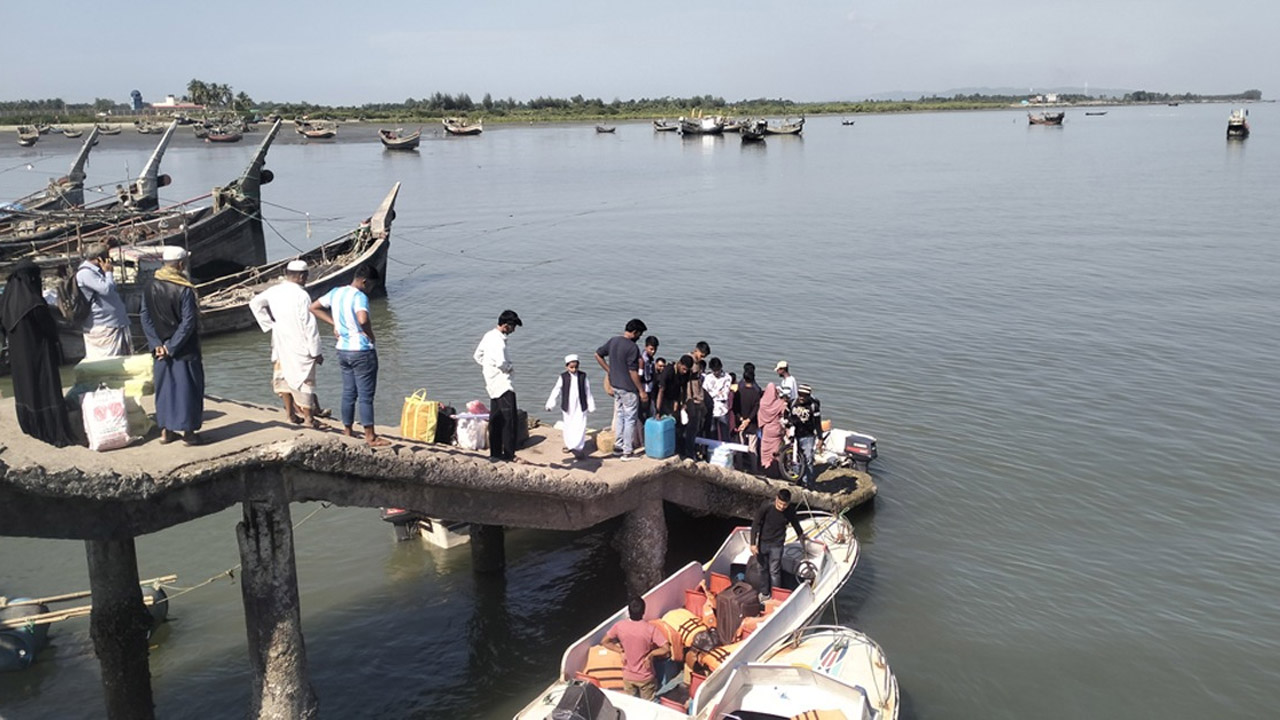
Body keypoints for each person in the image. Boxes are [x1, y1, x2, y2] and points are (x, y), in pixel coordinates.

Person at [0, 259, 76, 447]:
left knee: (26, 388)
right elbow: (49, 329)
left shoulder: (8, 301)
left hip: (18, 357)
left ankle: (30, 425)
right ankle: (50, 429)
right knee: (44, 387)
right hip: (40, 354)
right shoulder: (33, 303)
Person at [310, 264, 387, 447]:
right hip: (361, 350)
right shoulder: (360, 297)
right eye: (371, 286)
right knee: (366, 395)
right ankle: (370, 436)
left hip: (343, 349)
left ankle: (347, 430)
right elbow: (363, 319)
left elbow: (314, 307)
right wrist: (370, 335)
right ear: (365, 282)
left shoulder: (336, 292)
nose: (370, 290)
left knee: (348, 392)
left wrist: (334, 324)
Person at [141, 246, 205, 445]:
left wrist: (156, 343)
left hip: (160, 349)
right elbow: (188, 322)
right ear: (180, 264)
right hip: (183, 349)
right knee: (188, 389)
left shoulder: (150, 285)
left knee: (165, 391)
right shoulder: (184, 288)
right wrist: (173, 346)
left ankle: (166, 431)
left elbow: (145, 316)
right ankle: (189, 433)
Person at [250, 260, 324, 430]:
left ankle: (290, 414)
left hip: (281, 339)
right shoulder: (302, 295)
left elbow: (255, 303)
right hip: (300, 342)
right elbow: (309, 324)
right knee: (304, 380)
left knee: (283, 377)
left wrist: (270, 324)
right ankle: (308, 418)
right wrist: (316, 351)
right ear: (301, 276)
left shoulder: (274, 290)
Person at [594, 318, 648, 461]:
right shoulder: (632, 348)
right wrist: (641, 391)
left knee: (620, 416)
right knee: (630, 418)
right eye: (639, 334)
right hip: (628, 388)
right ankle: (627, 452)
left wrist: (609, 371)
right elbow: (633, 372)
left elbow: (597, 355)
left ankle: (618, 447)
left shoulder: (614, 341)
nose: (639, 337)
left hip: (615, 385)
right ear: (635, 332)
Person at [474, 309, 523, 461]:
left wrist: (488, 367)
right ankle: (509, 454)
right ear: (506, 325)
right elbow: (502, 362)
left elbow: (477, 355)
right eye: (513, 326)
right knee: (509, 421)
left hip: (491, 383)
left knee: (495, 418)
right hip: (503, 384)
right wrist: (509, 368)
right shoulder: (499, 342)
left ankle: (495, 453)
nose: (514, 330)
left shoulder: (488, 336)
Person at [601, 597, 670, 701]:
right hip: (645, 677)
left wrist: (620, 651)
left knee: (631, 702)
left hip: (627, 676)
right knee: (648, 704)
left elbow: (605, 642)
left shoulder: (619, 626)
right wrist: (651, 654)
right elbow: (666, 649)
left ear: (629, 611)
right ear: (643, 612)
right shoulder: (650, 629)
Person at [75, 243, 132, 359]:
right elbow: (106, 290)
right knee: (106, 361)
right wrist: (109, 272)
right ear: (99, 259)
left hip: (113, 322)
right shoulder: (86, 273)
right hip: (102, 325)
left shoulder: (97, 271)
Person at [750, 489, 808, 600]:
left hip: (777, 544)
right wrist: (753, 543)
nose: (781, 507)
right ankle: (765, 593)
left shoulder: (789, 511)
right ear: (776, 498)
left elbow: (795, 523)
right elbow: (755, 523)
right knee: (762, 568)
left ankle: (776, 596)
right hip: (763, 542)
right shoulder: (767, 506)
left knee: (774, 571)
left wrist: (801, 535)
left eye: (784, 505)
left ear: (788, 503)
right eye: (780, 504)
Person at [544, 354, 596, 461]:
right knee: (568, 426)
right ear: (566, 367)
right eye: (571, 367)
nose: (574, 369)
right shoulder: (563, 377)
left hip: (581, 405)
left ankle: (578, 447)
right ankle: (570, 445)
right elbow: (556, 390)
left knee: (581, 425)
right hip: (568, 405)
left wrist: (591, 405)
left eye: (576, 367)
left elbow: (587, 391)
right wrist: (550, 403)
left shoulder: (583, 376)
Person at [787, 384, 824, 489]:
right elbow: (786, 415)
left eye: (804, 395)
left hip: (808, 436)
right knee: (795, 458)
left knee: (808, 459)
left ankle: (808, 484)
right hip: (795, 435)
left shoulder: (813, 406)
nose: (801, 397)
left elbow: (817, 423)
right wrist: (788, 426)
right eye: (800, 394)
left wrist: (820, 438)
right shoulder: (793, 403)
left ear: (809, 395)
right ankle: (797, 480)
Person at [733, 363, 763, 473]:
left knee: (740, 446)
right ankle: (754, 470)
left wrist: (741, 419)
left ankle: (740, 468)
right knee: (752, 448)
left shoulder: (739, 391)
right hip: (752, 424)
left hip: (740, 423)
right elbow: (756, 408)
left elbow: (735, 408)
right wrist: (748, 420)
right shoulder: (756, 392)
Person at [757, 382, 788, 477]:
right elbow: (784, 414)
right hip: (776, 429)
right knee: (776, 451)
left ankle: (766, 469)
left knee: (765, 451)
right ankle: (776, 472)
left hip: (766, 429)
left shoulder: (762, 403)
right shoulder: (780, 403)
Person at [703, 357, 731, 441]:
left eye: (718, 370)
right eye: (714, 370)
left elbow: (725, 394)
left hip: (723, 409)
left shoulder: (727, 377)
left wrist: (713, 393)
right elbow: (705, 392)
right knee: (712, 432)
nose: (716, 372)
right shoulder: (708, 378)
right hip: (711, 408)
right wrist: (717, 393)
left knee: (725, 432)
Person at [639, 335, 659, 419]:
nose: (653, 351)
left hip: (649, 387)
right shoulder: (643, 360)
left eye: (655, 349)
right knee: (643, 412)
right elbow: (640, 376)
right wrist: (641, 391)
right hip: (644, 388)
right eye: (651, 349)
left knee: (649, 411)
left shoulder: (650, 359)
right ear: (646, 347)